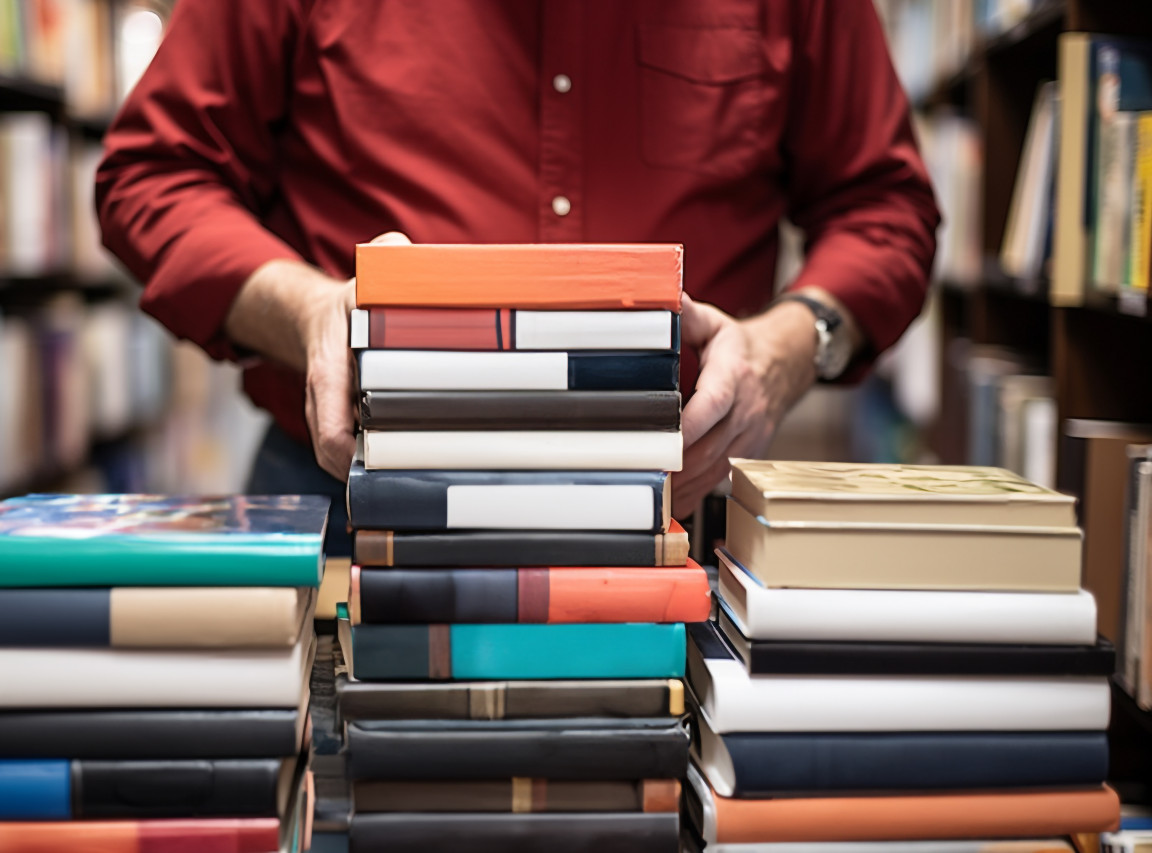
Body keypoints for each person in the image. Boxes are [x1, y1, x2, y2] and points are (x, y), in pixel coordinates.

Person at [96, 1, 940, 554]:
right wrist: (307, 309)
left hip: (682, 512)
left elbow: (885, 207)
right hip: (353, 502)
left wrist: (790, 345)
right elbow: (153, 176)